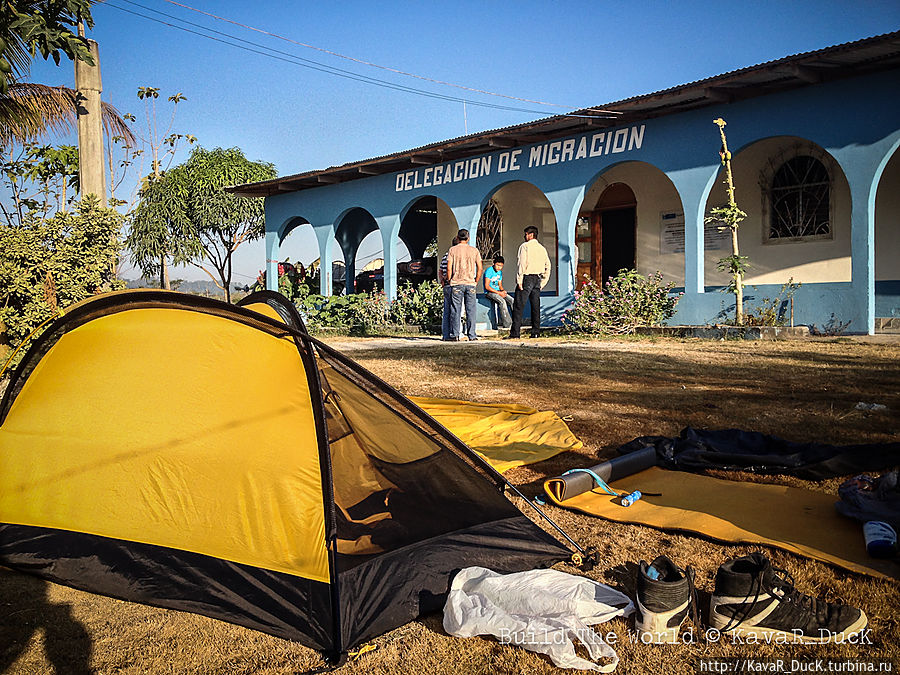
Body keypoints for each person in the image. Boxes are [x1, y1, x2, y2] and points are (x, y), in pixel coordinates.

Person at [509, 225, 551, 339]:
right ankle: (535, 332)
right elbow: (548, 265)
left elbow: (521, 264)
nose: (525, 236)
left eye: (526, 234)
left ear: (531, 235)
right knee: (535, 306)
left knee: (518, 305)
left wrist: (519, 280)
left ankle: (515, 333)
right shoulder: (542, 248)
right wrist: (543, 282)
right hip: (537, 278)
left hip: (526, 277)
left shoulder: (525, 246)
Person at [445, 229, 482, 341]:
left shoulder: (452, 250)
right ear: (468, 238)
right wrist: (476, 280)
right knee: (471, 310)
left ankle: (455, 334)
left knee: (456, 310)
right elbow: (480, 267)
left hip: (456, 283)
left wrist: (449, 279)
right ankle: (472, 335)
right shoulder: (474, 250)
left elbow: (448, 267)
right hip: (470, 283)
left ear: (457, 237)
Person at [483, 256, 514, 328]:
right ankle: (508, 325)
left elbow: (500, 285)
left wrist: (503, 291)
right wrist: (499, 293)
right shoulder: (489, 271)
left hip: (498, 291)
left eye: (501, 266)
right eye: (498, 265)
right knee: (502, 301)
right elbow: (487, 286)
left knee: (512, 300)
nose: (499, 268)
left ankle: (516, 322)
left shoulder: (500, 272)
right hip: (490, 292)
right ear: (494, 263)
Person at [438, 236, 458, 341]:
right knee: (455, 310)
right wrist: (448, 278)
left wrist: (442, 280)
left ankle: (445, 335)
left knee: (447, 310)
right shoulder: (455, 255)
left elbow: (440, 270)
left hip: (446, 284)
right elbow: (451, 270)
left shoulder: (446, 255)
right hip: (453, 283)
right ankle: (454, 333)